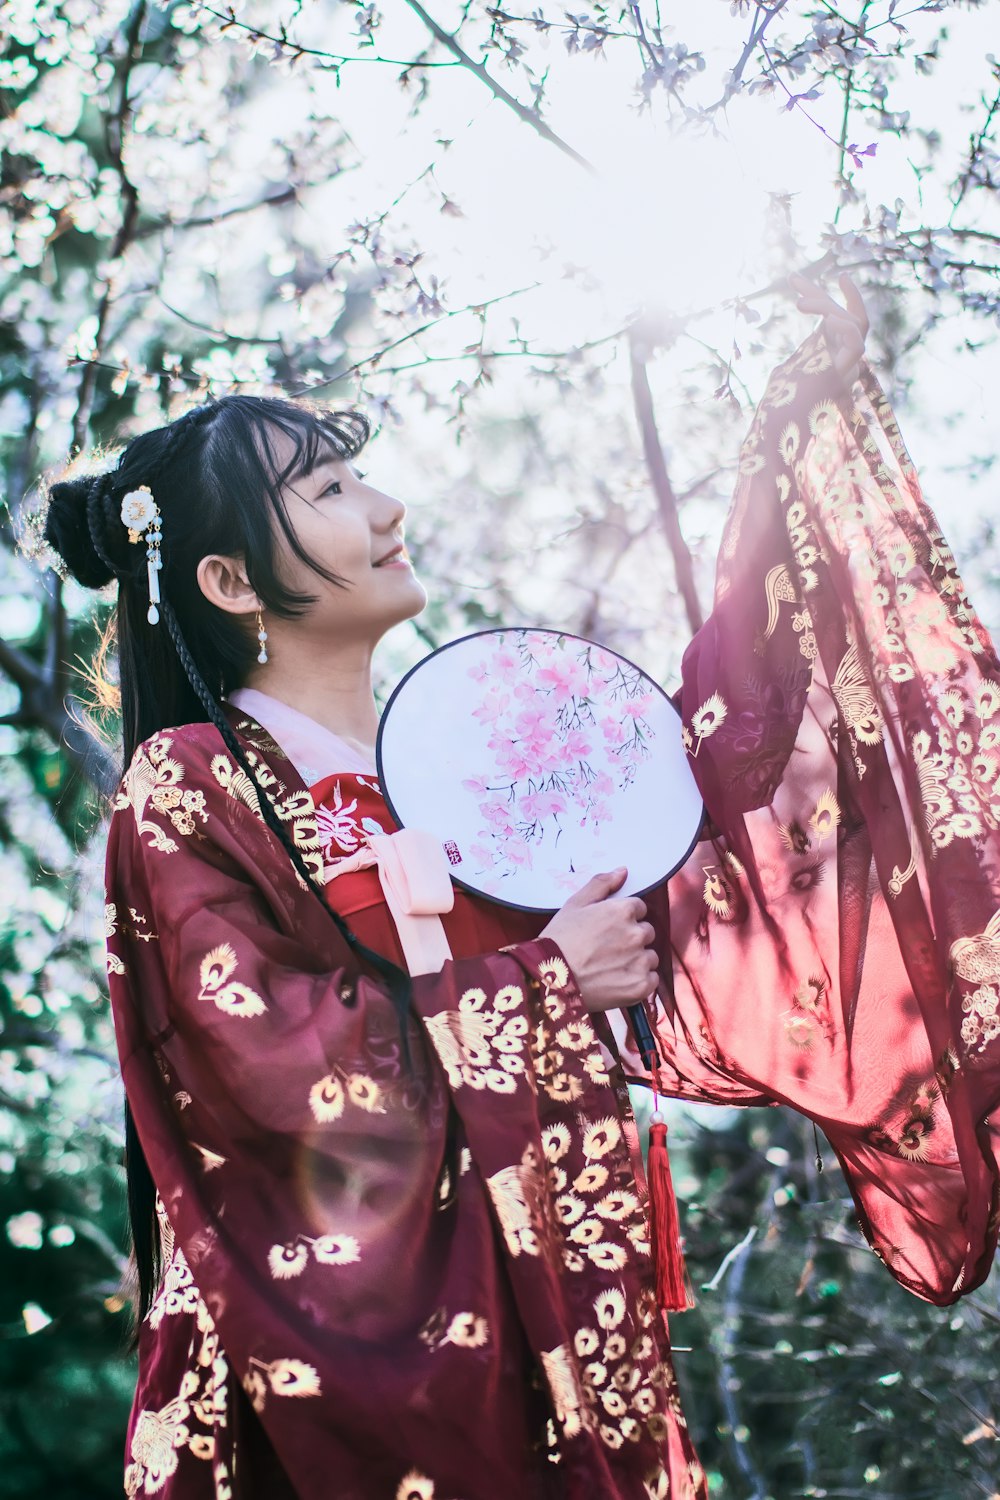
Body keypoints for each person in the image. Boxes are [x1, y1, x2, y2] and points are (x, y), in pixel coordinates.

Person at [42, 275, 1000, 1500]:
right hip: (316, 1379)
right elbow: (267, 1070)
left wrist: (791, 437)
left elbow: (704, 766)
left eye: (360, 476)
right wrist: (551, 980)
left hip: (544, 1327)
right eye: (327, 490)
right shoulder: (191, 786)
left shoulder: (459, 775)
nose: (386, 508)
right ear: (230, 584)